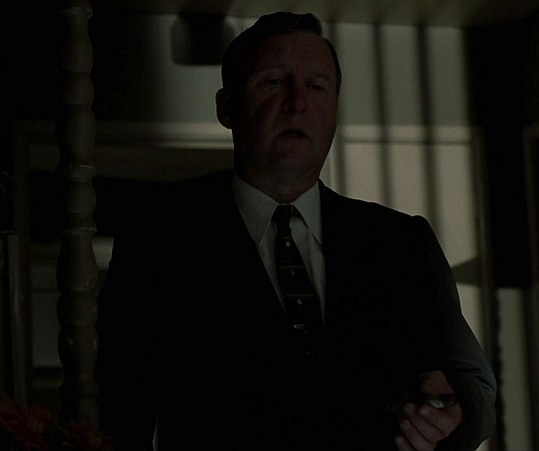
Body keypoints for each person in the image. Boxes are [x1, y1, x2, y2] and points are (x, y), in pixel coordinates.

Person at [94, 11, 497, 451]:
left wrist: (452, 413)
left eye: (317, 86)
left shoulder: (401, 243)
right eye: (272, 82)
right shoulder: (161, 240)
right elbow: (118, 411)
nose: (297, 103)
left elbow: (470, 386)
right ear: (227, 108)